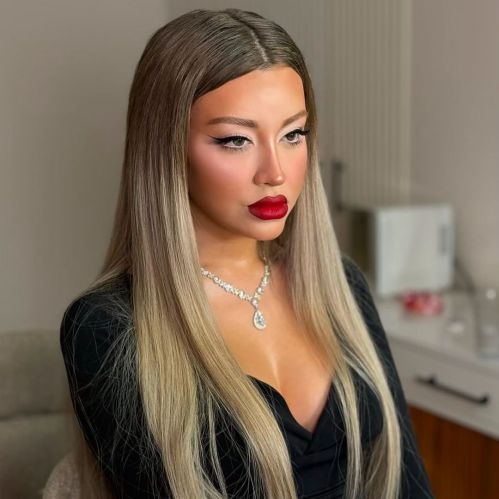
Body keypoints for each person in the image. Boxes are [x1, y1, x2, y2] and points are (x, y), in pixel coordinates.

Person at [59, 8, 434, 499]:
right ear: (166, 150)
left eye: (293, 134)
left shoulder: (341, 285)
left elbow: (406, 480)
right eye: (236, 140)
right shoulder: (107, 328)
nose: (274, 172)